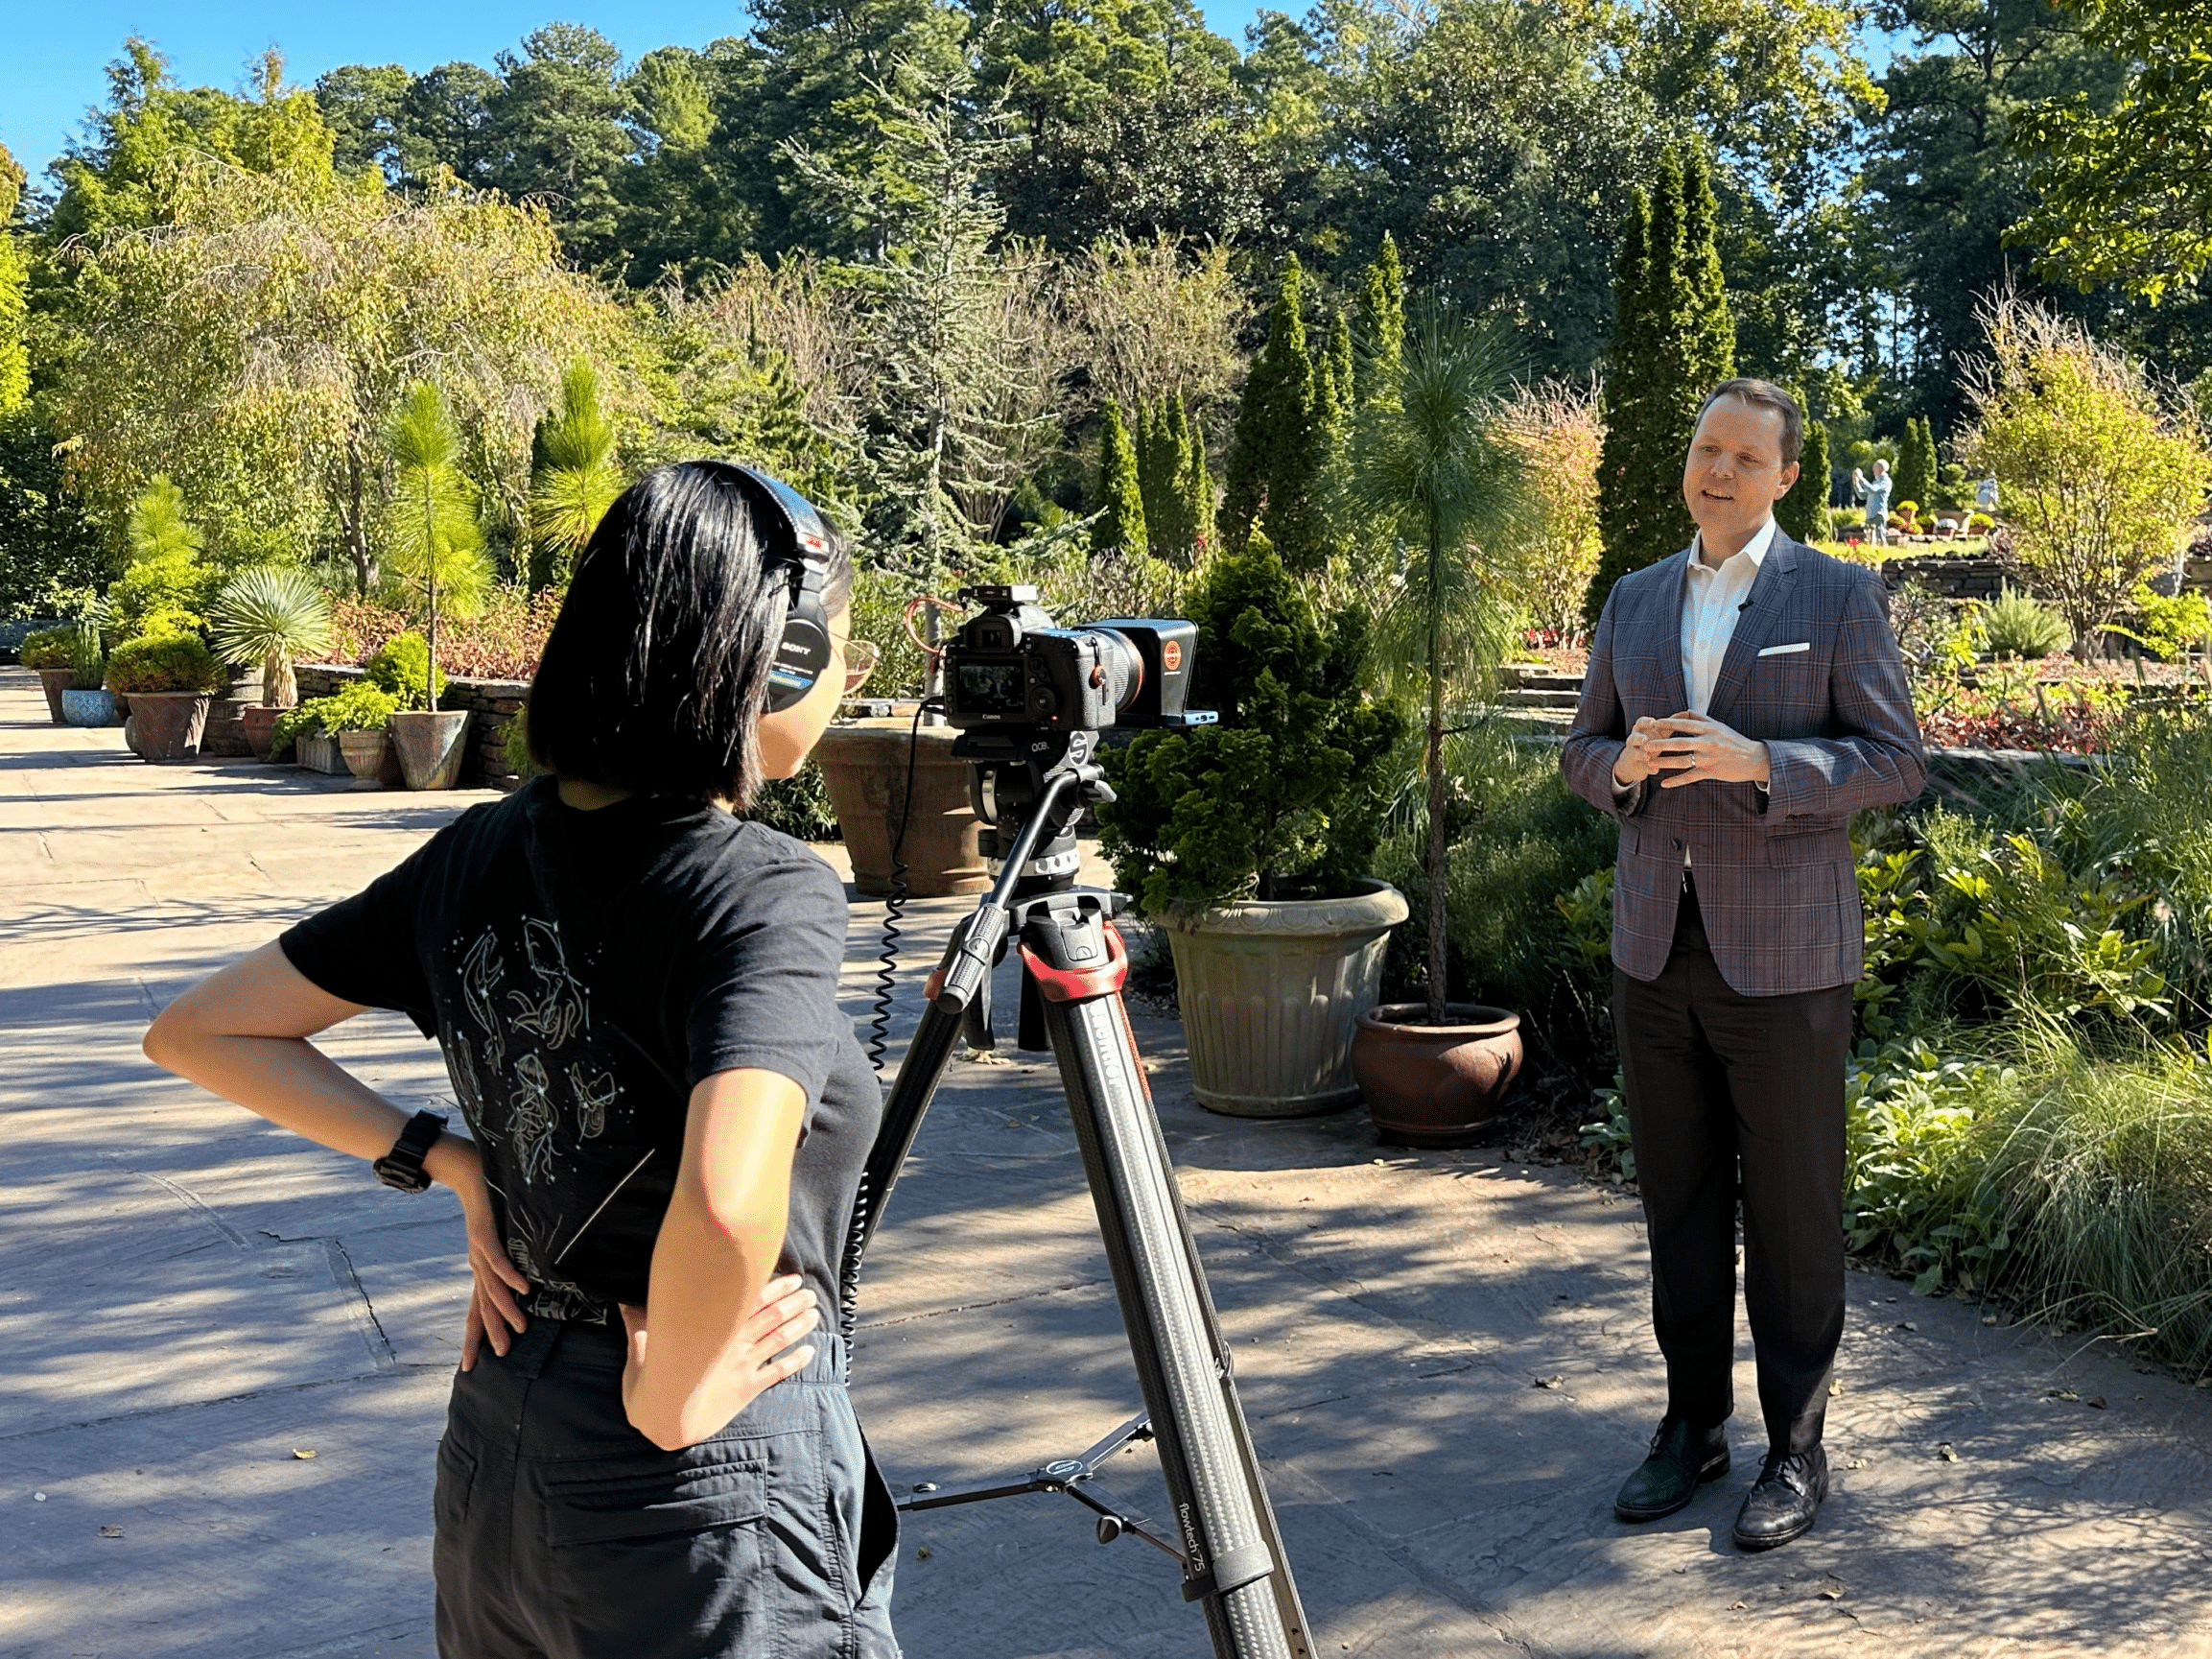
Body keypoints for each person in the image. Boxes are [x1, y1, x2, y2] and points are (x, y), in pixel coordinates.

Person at [143, 462, 900, 1657]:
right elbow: (722, 1199)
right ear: (775, 653)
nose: (849, 682)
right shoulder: (763, 893)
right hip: (697, 1458)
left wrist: (444, 1159)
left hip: (505, 1433)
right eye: (839, 652)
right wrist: (670, 1395)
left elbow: (201, 1028)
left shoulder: (480, 850)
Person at [1561, 380, 1925, 1552]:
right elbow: (1580, 751)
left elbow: (1893, 761)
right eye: (1702, 448)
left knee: (1790, 1212)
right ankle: (1689, 1425)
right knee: (1673, 1202)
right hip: (1652, 947)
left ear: (1784, 476)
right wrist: (1624, 768)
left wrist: (1759, 759)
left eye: (1742, 456)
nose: (1715, 471)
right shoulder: (1629, 598)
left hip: (1785, 959)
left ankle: (1795, 1446)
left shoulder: (1834, 591)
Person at [1861, 458, 1893, 546]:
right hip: (1870, 514)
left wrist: (1861, 478)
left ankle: (1884, 557)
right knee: (1869, 540)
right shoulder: (1876, 482)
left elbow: (1873, 489)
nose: (1872, 469)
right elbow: (1862, 495)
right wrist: (1856, 483)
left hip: (1878, 514)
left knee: (1880, 540)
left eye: (1875, 467)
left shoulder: (1886, 481)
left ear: (1881, 468)